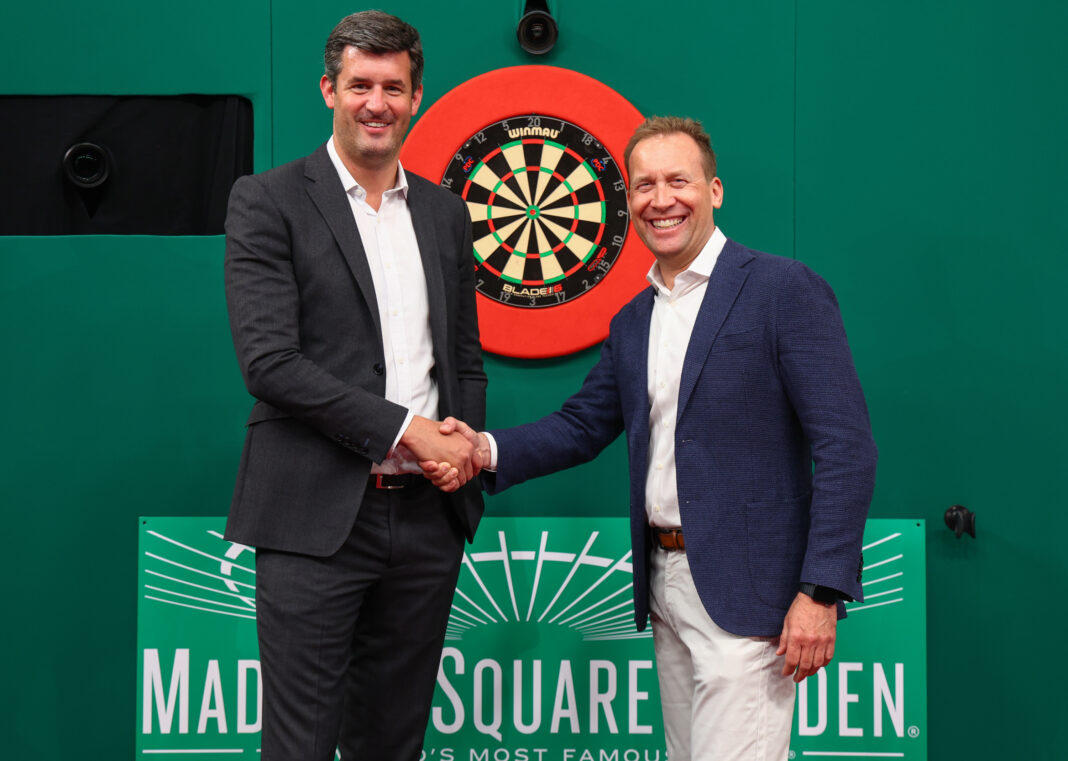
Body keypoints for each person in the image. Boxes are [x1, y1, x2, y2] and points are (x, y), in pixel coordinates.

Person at [424, 116, 877, 761]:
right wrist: (482, 450)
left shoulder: (782, 289)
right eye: (644, 186)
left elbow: (846, 447)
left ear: (714, 190)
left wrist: (820, 591)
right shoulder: (634, 319)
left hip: (753, 596)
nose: (661, 200)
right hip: (664, 585)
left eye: (678, 182)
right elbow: (583, 425)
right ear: (629, 202)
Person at [222, 11, 486, 761]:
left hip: (427, 518)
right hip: (313, 517)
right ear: (328, 90)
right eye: (360, 85)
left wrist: (459, 449)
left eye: (393, 87)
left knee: (393, 744)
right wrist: (410, 430)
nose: (377, 103)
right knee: (301, 745)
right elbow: (270, 363)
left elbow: (463, 359)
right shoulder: (268, 199)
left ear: (416, 96)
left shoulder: (444, 212)